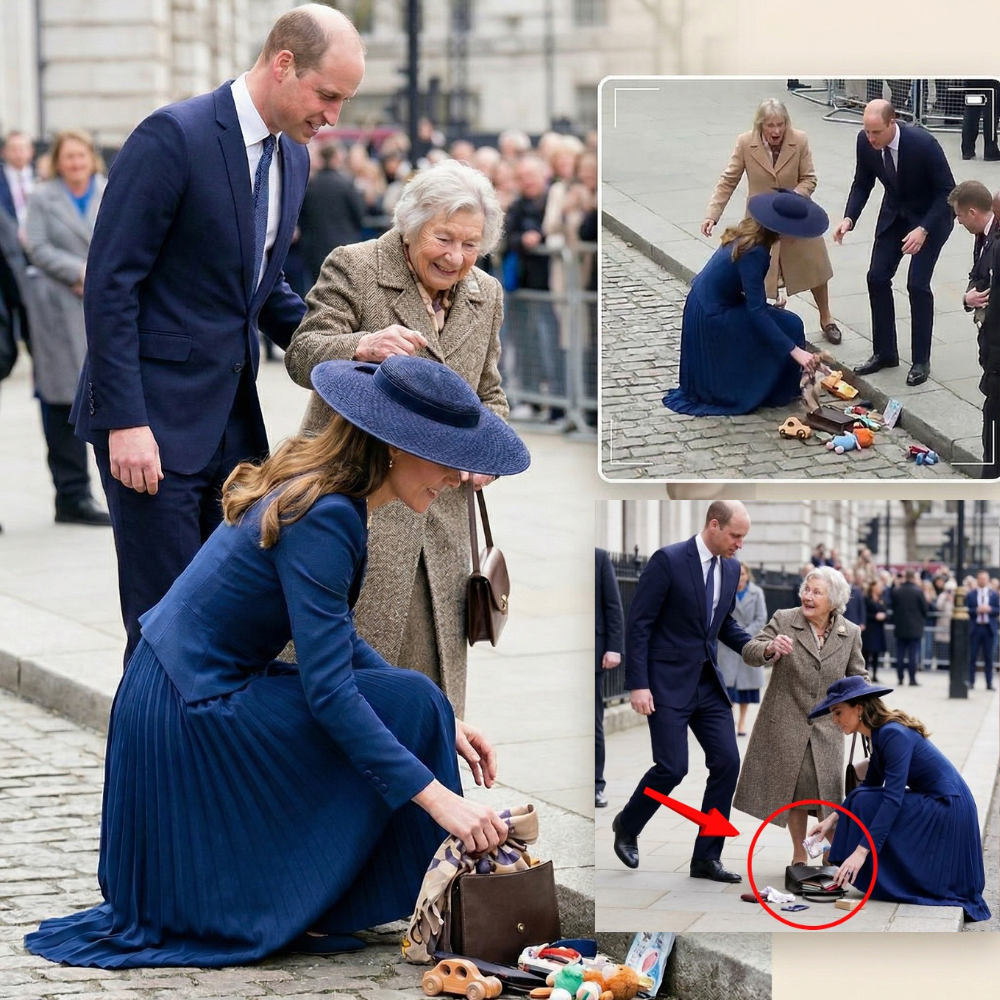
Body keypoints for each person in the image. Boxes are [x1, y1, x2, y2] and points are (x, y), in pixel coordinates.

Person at [23, 354, 531, 968]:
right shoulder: (327, 514)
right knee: (394, 708)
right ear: (394, 446)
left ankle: (360, 898)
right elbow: (331, 695)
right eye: (445, 455)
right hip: (187, 714)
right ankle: (378, 895)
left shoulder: (331, 493)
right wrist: (438, 799)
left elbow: (336, 640)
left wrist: (442, 722)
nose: (455, 477)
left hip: (183, 693)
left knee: (417, 699)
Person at [70, 5, 366, 664]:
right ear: (283, 62)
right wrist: (125, 421)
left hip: (229, 438)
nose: (333, 117)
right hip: (150, 431)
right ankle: (145, 767)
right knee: (161, 633)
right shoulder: (173, 136)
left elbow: (262, 293)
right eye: (327, 95)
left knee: (223, 631)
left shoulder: (295, 157)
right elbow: (112, 284)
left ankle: (204, 767)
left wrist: (351, 351)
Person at [284, 159, 506, 719]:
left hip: (443, 519)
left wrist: (487, 457)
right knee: (349, 681)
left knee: (430, 695)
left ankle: (425, 795)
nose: (455, 257)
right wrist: (361, 344)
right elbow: (302, 352)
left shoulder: (486, 294)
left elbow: (490, 395)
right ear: (411, 225)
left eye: (470, 243)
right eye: (443, 238)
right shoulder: (356, 267)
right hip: (362, 503)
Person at [613, 501, 777, 882]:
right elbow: (639, 625)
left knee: (726, 763)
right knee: (672, 767)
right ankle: (628, 825)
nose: (740, 545)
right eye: (736, 536)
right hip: (666, 684)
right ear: (714, 525)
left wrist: (761, 649)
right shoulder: (667, 560)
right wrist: (638, 683)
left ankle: (706, 857)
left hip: (708, 685)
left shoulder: (731, 568)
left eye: (744, 538)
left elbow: (723, 625)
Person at [806, 677, 990, 923]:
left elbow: (892, 799)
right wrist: (830, 819)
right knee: (862, 796)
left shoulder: (892, 734)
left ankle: (858, 865)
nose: (835, 720)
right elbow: (871, 784)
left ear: (859, 708)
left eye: (838, 712)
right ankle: (855, 866)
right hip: (938, 801)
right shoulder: (880, 734)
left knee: (866, 802)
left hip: (949, 808)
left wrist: (861, 851)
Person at [734, 566, 868, 866]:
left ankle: (831, 851)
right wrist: (770, 648)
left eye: (816, 592)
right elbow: (750, 650)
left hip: (829, 725)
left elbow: (858, 675)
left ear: (833, 600)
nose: (807, 596)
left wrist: (866, 707)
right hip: (787, 722)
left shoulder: (850, 632)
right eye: (806, 590)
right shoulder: (785, 619)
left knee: (828, 792)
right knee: (795, 791)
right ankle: (799, 854)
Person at [663, 190, 828, 416]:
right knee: (790, 326)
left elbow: (745, 293)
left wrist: (767, 305)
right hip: (712, 317)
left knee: (787, 321)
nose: (797, 237)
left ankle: (782, 385)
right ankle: (776, 390)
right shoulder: (755, 251)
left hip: (709, 305)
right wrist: (796, 351)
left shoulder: (750, 236)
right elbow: (757, 313)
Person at [832, 100, 955, 387]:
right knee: (876, 277)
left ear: (892, 123)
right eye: (867, 131)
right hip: (895, 214)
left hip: (931, 216)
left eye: (876, 132)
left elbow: (947, 192)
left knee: (917, 284)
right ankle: (885, 352)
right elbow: (862, 182)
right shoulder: (865, 142)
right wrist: (849, 218)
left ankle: (921, 360)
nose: (870, 138)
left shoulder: (923, 144)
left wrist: (923, 229)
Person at [23, 130, 111, 526]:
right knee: (60, 398)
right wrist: (79, 271)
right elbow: (37, 248)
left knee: (106, 392)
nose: (75, 163)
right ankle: (71, 493)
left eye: (81, 156)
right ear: (58, 161)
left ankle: (109, 487)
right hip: (58, 307)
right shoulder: (43, 198)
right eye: (68, 157)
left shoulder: (110, 190)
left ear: (91, 158)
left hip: (106, 307)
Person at [702, 99, 840, 343]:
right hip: (760, 223)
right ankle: (764, 321)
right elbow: (728, 179)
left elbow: (809, 179)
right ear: (760, 126)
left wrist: (793, 200)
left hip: (795, 219)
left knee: (816, 270)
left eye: (781, 124)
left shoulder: (800, 140)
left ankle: (826, 318)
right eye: (770, 126)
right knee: (759, 275)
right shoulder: (746, 143)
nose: (776, 131)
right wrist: (712, 214)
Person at [949, 179, 1000, 479]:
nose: (957, 222)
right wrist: (968, 297)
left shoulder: (996, 244)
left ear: (971, 212)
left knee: (992, 422)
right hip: (991, 349)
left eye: (958, 216)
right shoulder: (983, 237)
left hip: (996, 351)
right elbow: (976, 275)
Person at [506, 154, 563, 414]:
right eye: (522, 177)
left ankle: (556, 401)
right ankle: (532, 399)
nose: (527, 181)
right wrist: (523, 240)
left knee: (550, 343)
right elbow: (508, 237)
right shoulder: (517, 205)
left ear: (544, 175)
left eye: (531, 175)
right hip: (524, 285)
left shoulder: (554, 201)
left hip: (551, 286)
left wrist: (539, 236)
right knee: (527, 344)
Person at [298, 141, 366, 285]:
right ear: (336, 158)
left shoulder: (310, 185)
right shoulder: (346, 184)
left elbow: (301, 217)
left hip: (315, 248)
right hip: (344, 246)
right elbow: (359, 213)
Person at [717, 562, 768, 737]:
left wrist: (743, 635)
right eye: (738, 575)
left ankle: (742, 721)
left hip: (749, 642)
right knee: (728, 687)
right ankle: (729, 720)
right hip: (727, 646)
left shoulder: (757, 593)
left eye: (743, 574)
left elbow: (761, 618)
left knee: (745, 690)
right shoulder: (724, 590)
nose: (740, 578)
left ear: (748, 576)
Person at [595, 547, 624, 809]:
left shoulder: (599, 557)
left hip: (595, 654)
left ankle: (596, 785)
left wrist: (614, 647)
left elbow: (613, 604)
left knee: (594, 723)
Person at [889, 568, 928, 685]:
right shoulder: (918, 592)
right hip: (915, 627)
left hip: (900, 626)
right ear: (914, 578)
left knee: (900, 654)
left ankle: (900, 678)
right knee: (912, 654)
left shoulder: (897, 591)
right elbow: (925, 609)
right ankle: (912, 678)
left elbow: (893, 607)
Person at [966, 569, 1000, 690]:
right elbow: (967, 609)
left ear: (988, 579)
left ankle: (989, 682)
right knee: (972, 657)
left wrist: (989, 609)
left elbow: (998, 609)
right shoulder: (971, 594)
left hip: (988, 629)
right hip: (975, 628)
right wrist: (976, 610)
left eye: (985, 579)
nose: (983, 581)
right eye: (981, 578)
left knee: (989, 658)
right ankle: (970, 681)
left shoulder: (994, 594)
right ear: (977, 579)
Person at [1, 130, 36, 239]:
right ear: (3, 152)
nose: (18, 154)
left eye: (22, 148)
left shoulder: (42, 177)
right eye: (13, 149)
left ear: (31, 151)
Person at [961, 80, 1000, 161]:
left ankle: (967, 150)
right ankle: (990, 150)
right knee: (990, 114)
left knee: (971, 112)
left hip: (973, 77)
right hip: (991, 79)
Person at [863, 578, 888, 682]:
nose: (881, 588)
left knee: (876, 654)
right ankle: (865, 674)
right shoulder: (866, 599)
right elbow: (864, 613)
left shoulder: (882, 599)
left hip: (878, 630)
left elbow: (886, 612)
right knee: (866, 653)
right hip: (869, 630)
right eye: (879, 586)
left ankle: (875, 674)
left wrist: (884, 616)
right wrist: (875, 616)